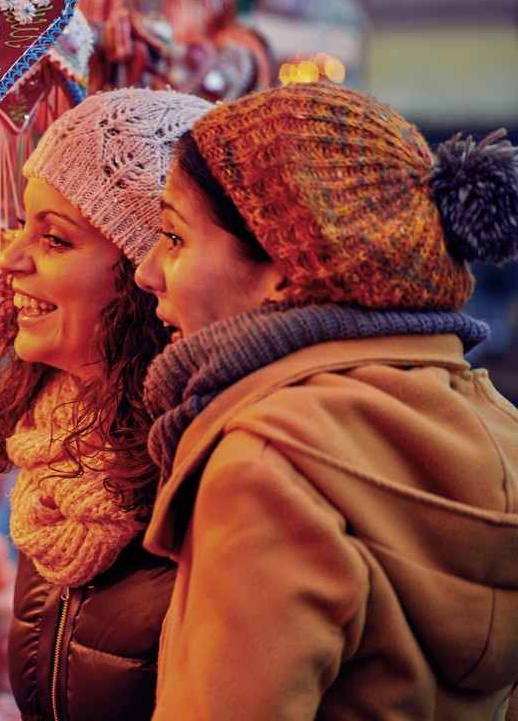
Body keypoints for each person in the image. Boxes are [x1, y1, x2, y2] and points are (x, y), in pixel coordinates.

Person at [133, 80, 518, 719]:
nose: (147, 271)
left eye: (174, 237)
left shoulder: (268, 463)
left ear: (288, 267)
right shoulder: (495, 422)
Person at [0, 87, 214, 721]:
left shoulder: (206, 477)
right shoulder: (54, 458)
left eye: (54, 240)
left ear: (147, 275)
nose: (8, 259)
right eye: (22, 226)